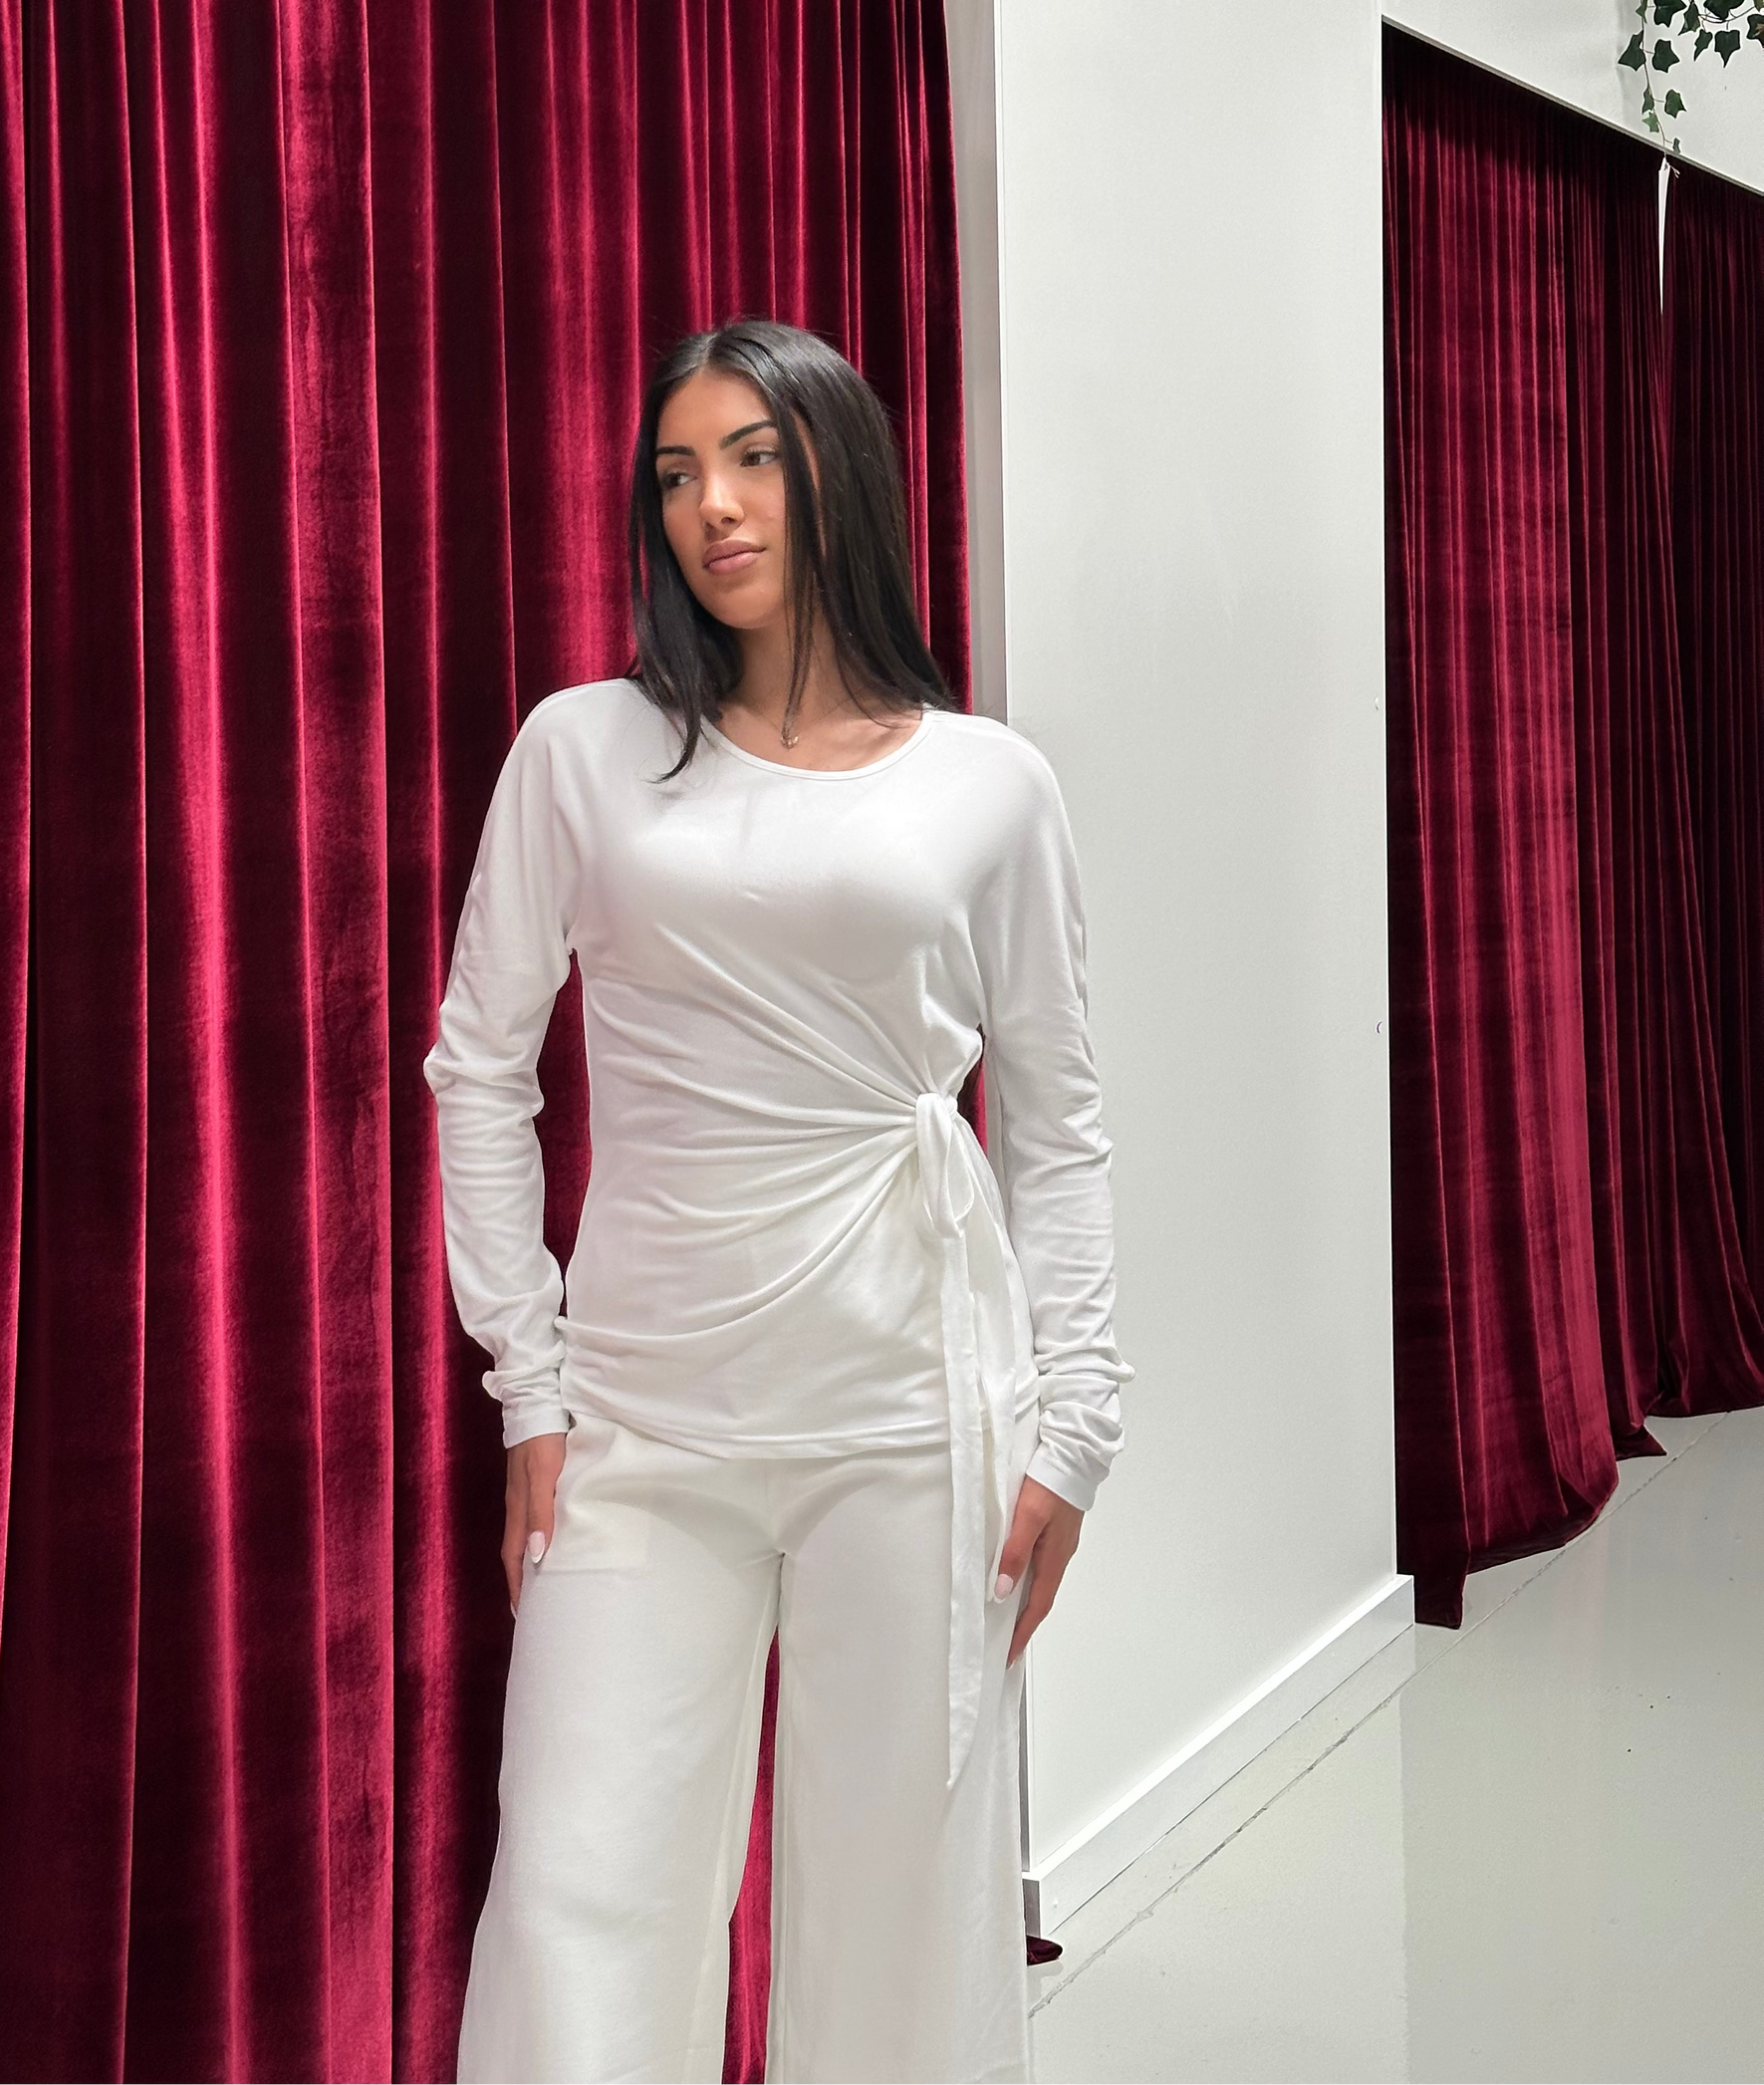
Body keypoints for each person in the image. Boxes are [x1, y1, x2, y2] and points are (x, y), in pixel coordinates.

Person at [424, 317, 1132, 2085]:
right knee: (577, 1895)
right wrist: (528, 1383)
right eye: (676, 473)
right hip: (641, 1414)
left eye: (752, 455)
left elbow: (1055, 1120)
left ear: (842, 473)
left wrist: (1075, 1422)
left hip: (914, 1412)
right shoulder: (584, 748)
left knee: (899, 1908)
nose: (712, 506)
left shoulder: (988, 780)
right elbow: (477, 1069)